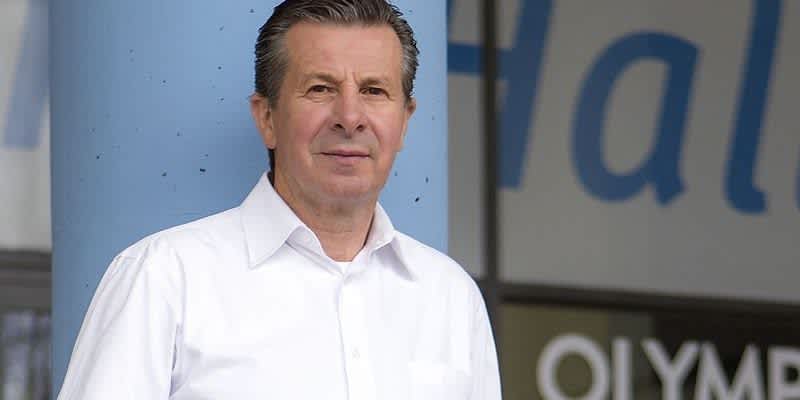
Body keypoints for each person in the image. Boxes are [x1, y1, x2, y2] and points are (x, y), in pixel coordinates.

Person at [57, 0, 501, 399]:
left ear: (404, 122)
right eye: (321, 88)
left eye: (373, 90)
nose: (350, 118)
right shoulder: (163, 277)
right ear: (267, 117)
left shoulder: (451, 296)